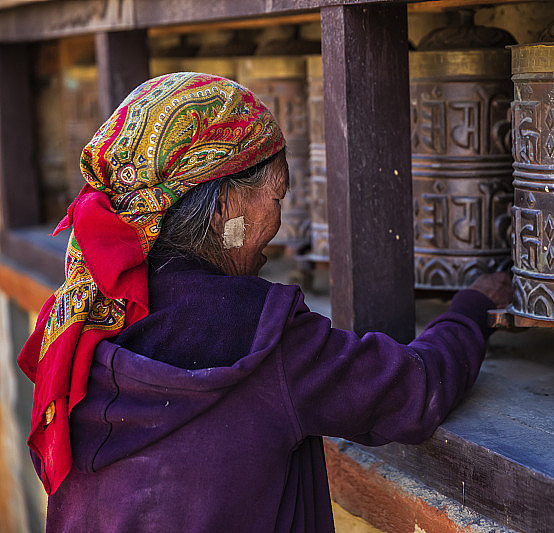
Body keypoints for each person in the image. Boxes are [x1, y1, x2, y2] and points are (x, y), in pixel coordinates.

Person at [18, 71, 512, 532]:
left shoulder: (87, 314)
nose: (275, 233)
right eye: (276, 199)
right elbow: (415, 389)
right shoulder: (262, 334)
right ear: (224, 206)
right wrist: (471, 309)